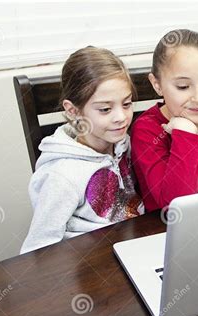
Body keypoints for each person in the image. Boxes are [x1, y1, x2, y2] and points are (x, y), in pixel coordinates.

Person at [21, 46, 144, 253]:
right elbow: (37, 251)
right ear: (73, 111)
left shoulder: (126, 145)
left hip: (133, 248)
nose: (121, 117)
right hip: (89, 267)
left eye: (127, 104)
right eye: (105, 109)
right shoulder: (61, 176)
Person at [131, 29, 198, 212]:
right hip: (166, 227)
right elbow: (175, 205)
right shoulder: (146, 130)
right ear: (157, 85)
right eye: (183, 86)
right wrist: (185, 135)